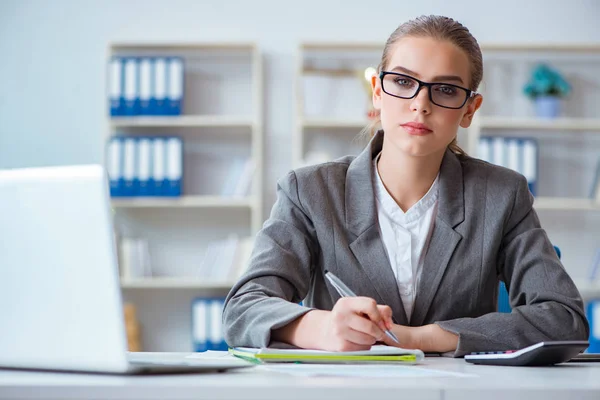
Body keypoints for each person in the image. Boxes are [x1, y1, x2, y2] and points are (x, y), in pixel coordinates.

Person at [222, 15, 589, 356]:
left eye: (445, 89)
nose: (420, 104)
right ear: (377, 91)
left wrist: (422, 338)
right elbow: (244, 309)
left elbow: (564, 321)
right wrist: (322, 328)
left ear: (469, 109)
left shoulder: (502, 195)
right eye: (402, 82)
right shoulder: (309, 190)